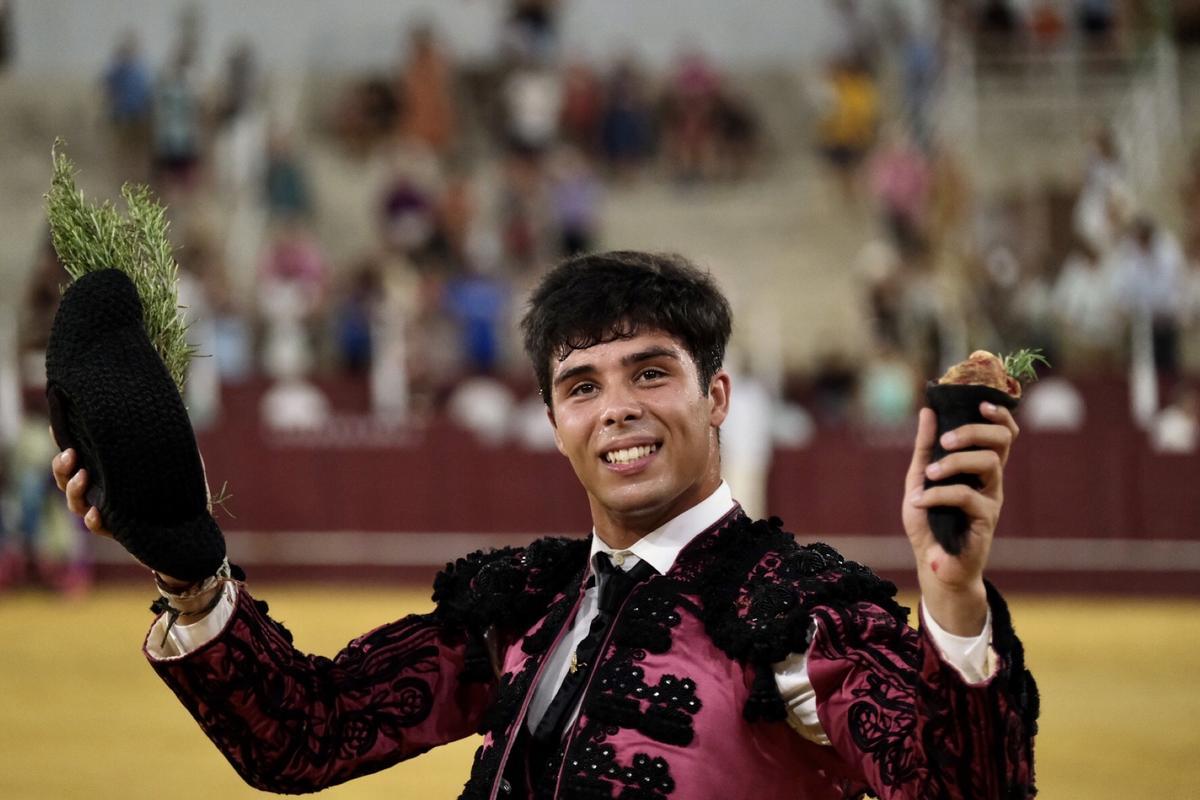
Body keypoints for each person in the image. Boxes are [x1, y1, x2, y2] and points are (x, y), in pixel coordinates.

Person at [51, 251, 1036, 798]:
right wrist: (189, 570)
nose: (616, 407)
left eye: (651, 371)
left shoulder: (804, 612)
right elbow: (308, 732)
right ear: (554, 418)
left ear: (718, 394)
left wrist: (951, 604)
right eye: (581, 384)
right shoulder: (524, 600)